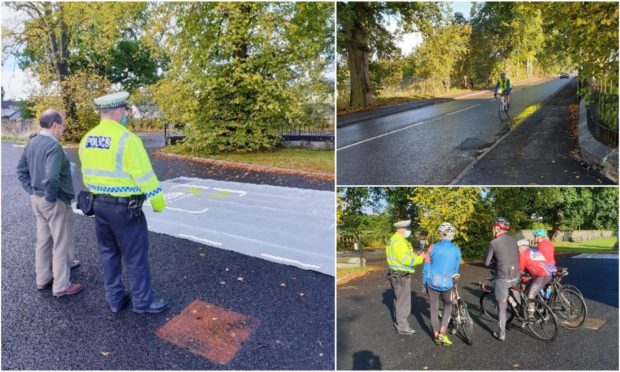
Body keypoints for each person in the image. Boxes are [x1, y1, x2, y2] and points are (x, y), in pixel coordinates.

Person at [79, 92, 167, 314]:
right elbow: (145, 176)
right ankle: (143, 302)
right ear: (118, 112)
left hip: (98, 205)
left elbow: (87, 174)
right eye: (125, 111)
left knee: (108, 253)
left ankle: (115, 299)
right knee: (135, 257)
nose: (126, 115)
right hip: (125, 209)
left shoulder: (87, 138)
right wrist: (158, 202)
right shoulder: (128, 140)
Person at [16, 110, 83, 297]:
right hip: (52, 200)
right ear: (54, 125)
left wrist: (31, 191)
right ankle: (61, 285)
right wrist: (52, 197)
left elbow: (20, 170)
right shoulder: (53, 146)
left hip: (36, 199)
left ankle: (43, 278)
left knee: (43, 240)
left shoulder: (32, 143)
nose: (63, 129)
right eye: (62, 125)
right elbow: (52, 178)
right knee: (60, 242)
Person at [422, 222, 461, 346]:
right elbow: (455, 268)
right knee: (448, 306)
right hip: (447, 282)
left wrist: (423, 283)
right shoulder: (456, 249)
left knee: (433, 309)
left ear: (441, 234)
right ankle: (443, 332)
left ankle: (436, 335)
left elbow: (426, 267)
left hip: (432, 281)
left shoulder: (432, 247)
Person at [386, 220, 424, 336]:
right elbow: (405, 260)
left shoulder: (395, 239)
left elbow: (402, 257)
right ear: (401, 229)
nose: (408, 230)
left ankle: (399, 323)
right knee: (403, 302)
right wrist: (420, 258)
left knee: (399, 300)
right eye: (407, 228)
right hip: (401, 276)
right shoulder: (399, 242)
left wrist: (413, 255)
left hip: (396, 274)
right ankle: (402, 327)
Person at [485, 217, 519, 342]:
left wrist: (494, 260)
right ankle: (523, 313)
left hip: (502, 277)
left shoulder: (494, 243)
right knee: (516, 296)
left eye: (493, 227)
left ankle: (501, 333)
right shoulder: (513, 240)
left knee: (502, 306)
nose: (492, 230)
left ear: (497, 228)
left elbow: (486, 262)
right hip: (515, 275)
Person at [517, 239, 557, 318]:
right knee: (540, 290)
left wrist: (522, 279)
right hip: (549, 273)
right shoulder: (534, 250)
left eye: (518, 248)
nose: (518, 250)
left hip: (541, 275)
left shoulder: (523, 255)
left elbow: (520, 271)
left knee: (530, 295)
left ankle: (531, 316)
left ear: (521, 247)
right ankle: (544, 307)